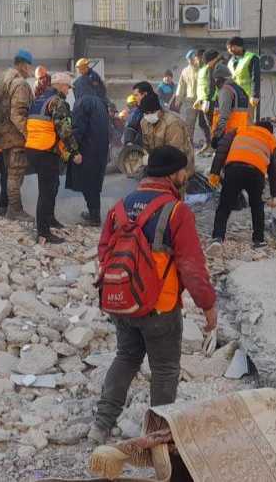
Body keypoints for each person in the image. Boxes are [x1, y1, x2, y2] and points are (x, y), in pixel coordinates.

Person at [89, 145, 217, 443]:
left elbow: (104, 252)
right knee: (165, 369)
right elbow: (191, 267)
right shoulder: (177, 211)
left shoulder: (120, 207)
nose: (186, 175)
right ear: (174, 174)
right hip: (160, 307)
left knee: (126, 357)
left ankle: (101, 425)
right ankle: (159, 438)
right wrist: (208, 306)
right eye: (183, 170)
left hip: (122, 302)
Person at [25, 72, 81, 243]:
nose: (69, 90)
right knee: (46, 191)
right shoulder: (58, 102)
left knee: (53, 184)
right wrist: (75, 152)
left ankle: (49, 218)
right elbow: (64, 129)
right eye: (68, 87)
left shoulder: (39, 100)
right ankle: (43, 232)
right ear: (61, 85)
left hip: (33, 148)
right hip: (46, 150)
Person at [209, 121, 276, 248]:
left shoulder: (240, 129)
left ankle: (217, 237)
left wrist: (214, 172)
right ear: (270, 131)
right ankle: (258, 240)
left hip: (234, 168)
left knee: (225, 204)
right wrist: (275, 195)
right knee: (256, 205)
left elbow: (222, 149)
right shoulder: (272, 139)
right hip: (256, 172)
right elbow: (275, 169)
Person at [0, 49, 35, 220]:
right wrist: (28, 135)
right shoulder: (20, 84)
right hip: (16, 136)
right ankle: (15, 210)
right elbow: (18, 114)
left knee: (10, 173)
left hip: (3, 135)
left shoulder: (3, 79)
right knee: (15, 175)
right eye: (29, 66)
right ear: (23, 65)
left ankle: (8, 208)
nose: (29, 70)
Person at [67, 91, 111, 226]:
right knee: (94, 184)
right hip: (100, 150)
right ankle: (94, 214)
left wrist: (73, 150)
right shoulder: (101, 102)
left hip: (87, 149)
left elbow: (77, 128)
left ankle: (94, 217)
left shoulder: (82, 102)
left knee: (88, 184)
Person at [139, 92, 194, 177]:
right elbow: (146, 146)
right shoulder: (144, 122)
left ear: (159, 110)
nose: (148, 115)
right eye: (146, 113)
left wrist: (152, 159)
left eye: (152, 112)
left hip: (179, 168)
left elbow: (175, 153)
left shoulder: (173, 123)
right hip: (159, 165)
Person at [210, 64, 250, 147]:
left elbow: (223, 115)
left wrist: (217, 136)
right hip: (241, 135)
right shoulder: (240, 90)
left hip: (228, 136)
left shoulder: (226, 90)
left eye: (215, 79)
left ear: (219, 79)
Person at [194, 50, 219, 153]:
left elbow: (212, 86)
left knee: (212, 124)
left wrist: (208, 100)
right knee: (202, 123)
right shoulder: (204, 69)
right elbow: (204, 85)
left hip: (209, 101)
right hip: (203, 101)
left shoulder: (211, 69)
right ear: (211, 60)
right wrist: (199, 100)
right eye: (216, 59)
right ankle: (208, 143)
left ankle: (215, 147)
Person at [226, 36, 260, 106]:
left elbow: (256, 77)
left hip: (248, 96)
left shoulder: (252, 57)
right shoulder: (230, 62)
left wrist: (255, 95)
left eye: (232, 47)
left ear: (240, 46)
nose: (230, 50)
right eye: (228, 48)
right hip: (233, 96)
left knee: (247, 116)